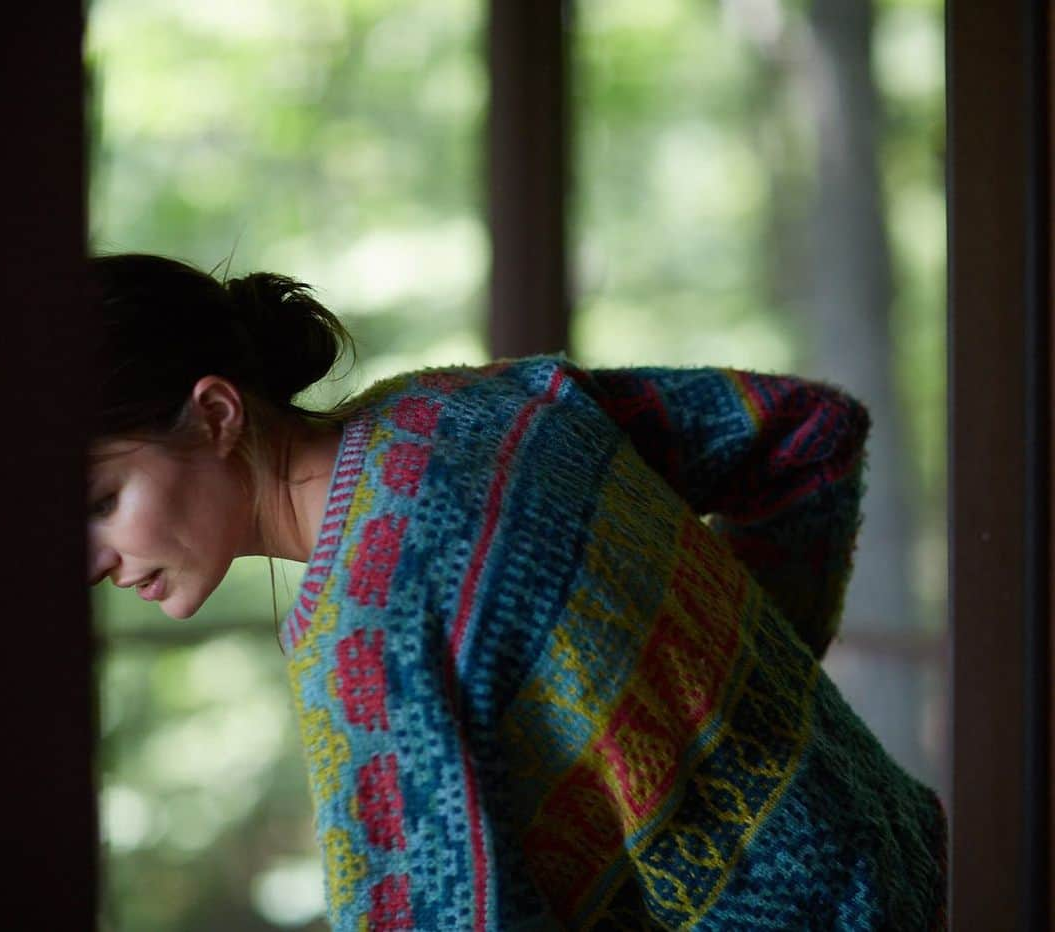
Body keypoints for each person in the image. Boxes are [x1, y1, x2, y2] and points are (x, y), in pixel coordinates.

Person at [88, 253, 947, 931]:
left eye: (99, 503)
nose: (90, 563)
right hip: (903, 862)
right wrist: (747, 698)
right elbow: (804, 432)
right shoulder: (481, 406)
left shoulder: (368, 636)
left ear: (215, 415)